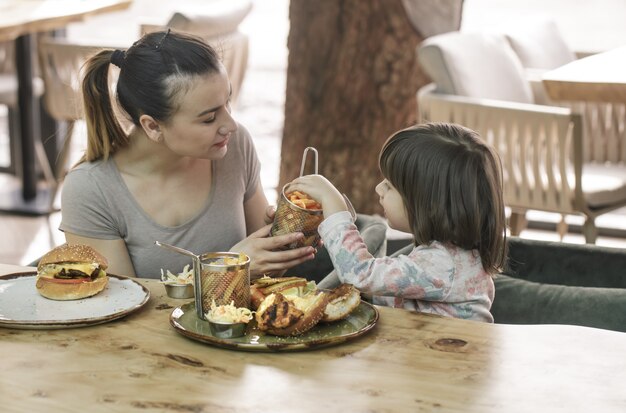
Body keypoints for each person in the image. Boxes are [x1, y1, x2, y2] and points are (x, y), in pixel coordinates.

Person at [60, 30, 316, 278]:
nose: (231, 125)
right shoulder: (91, 191)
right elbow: (119, 311)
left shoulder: (233, 146)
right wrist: (229, 268)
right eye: (209, 118)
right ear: (153, 126)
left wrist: (298, 229)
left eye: (227, 102)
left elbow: (269, 273)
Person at [289, 122, 507, 322]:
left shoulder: (443, 264)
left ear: (428, 205)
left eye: (390, 186)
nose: (378, 189)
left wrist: (334, 208)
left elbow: (359, 274)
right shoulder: (449, 255)